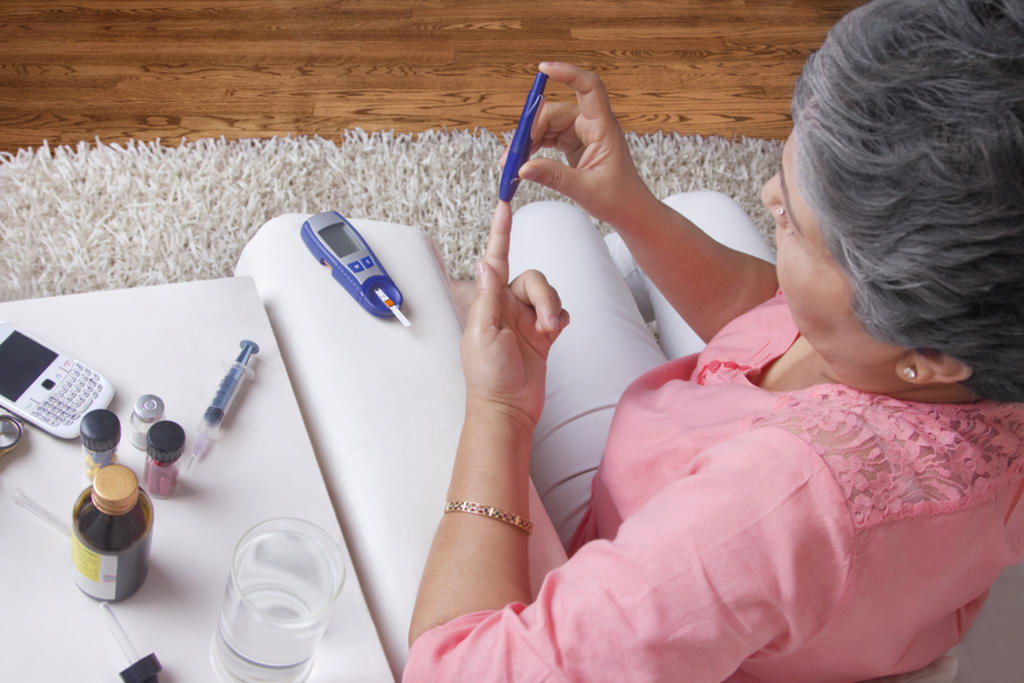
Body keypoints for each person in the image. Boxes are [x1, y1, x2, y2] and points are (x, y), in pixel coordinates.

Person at [405, 0, 1024, 680]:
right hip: (818, 600)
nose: (767, 193)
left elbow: (458, 672)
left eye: (796, 225)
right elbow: (773, 318)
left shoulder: (769, 507)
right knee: (670, 211)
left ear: (928, 358)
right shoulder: (955, 336)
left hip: (651, 559)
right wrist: (627, 202)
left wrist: (499, 411)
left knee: (542, 229)